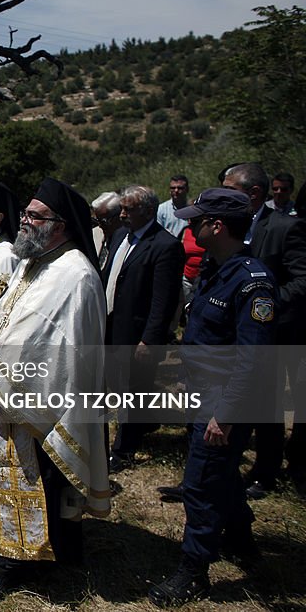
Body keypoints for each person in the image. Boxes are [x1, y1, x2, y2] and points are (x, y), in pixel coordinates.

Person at [0, 178, 110, 605]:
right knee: (40, 481)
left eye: (34, 216)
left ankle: (13, 563)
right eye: (26, 214)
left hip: (43, 397)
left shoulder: (75, 274)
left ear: (60, 225)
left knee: (38, 479)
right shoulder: (34, 261)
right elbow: (10, 316)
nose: (24, 222)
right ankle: (61, 552)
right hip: (20, 392)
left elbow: (58, 347)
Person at [148, 188, 275, 607]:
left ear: (216, 226)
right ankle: (240, 538)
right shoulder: (215, 270)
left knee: (200, 486)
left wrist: (226, 414)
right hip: (202, 394)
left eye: (196, 220)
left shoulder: (251, 281)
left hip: (225, 402)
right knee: (219, 473)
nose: (188, 226)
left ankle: (193, 572)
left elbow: (252, 360)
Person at [221, 163, 306, 498]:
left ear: (253, 193)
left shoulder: (286, 227)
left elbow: (302, 279)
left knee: (270, 406)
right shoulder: (228, 225)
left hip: (279, 334)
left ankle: (267, 471)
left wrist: (263, 304)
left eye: (231, 189)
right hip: (236, 333)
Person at [101, 185, 184, 469]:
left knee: (133, 391)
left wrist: (150, 339)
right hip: (112, 325)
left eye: (129, 209)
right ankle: (144, 425)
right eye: (121, 208)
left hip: (137, 333)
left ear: (148, 211)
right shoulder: (121, 236)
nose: (122, 214)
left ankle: (123, 451)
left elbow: (163, 299)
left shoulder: (165, 245)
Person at [90, 191, 122, 271]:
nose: (100, 226)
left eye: (104, 221)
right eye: (97, 220)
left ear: (119, 216)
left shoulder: (129, 241)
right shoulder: (94, 234)